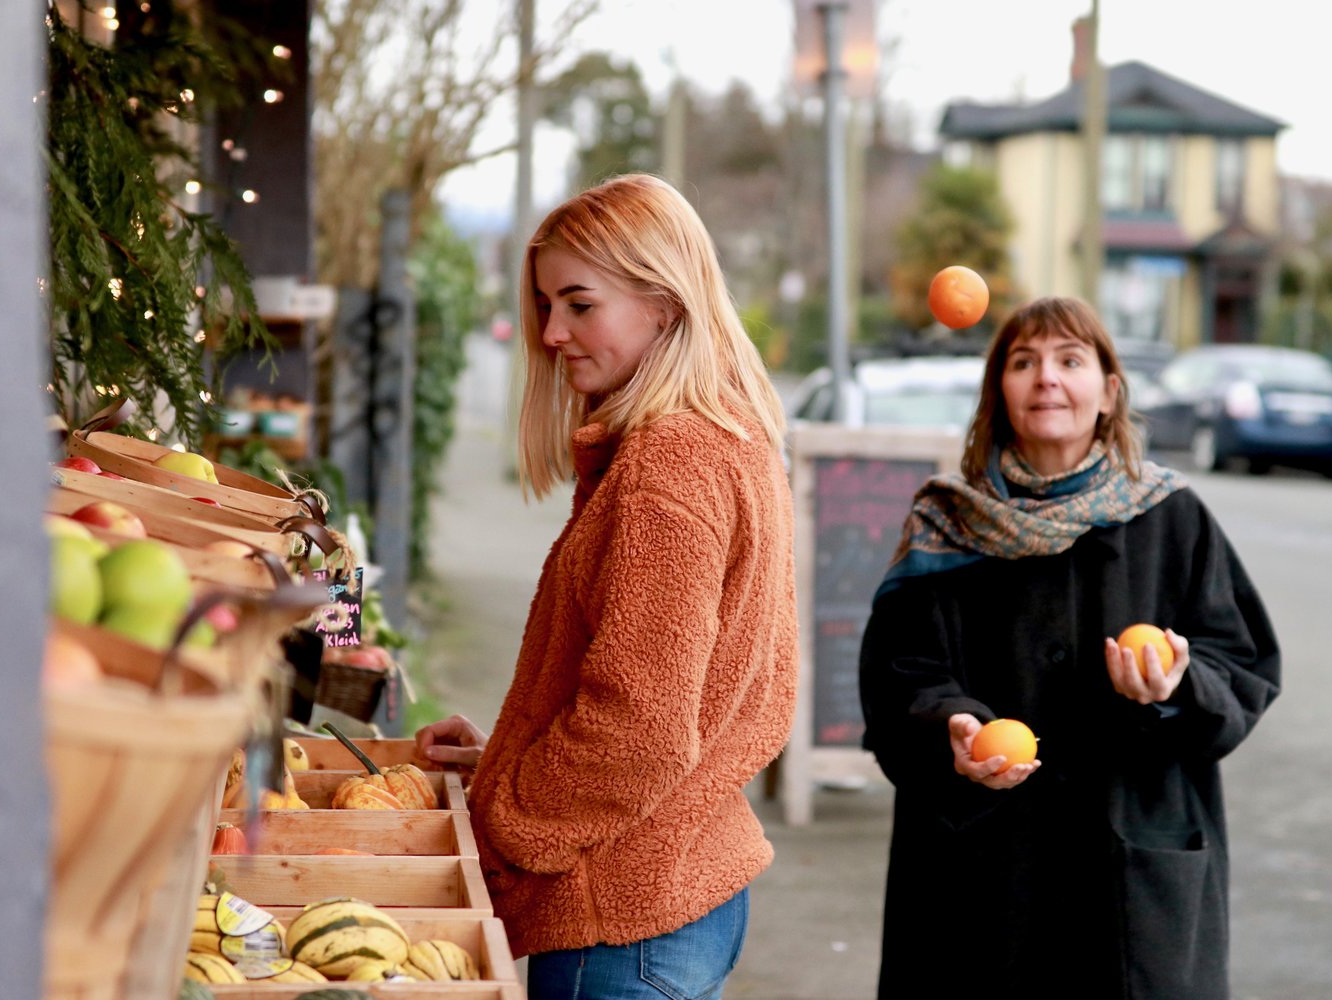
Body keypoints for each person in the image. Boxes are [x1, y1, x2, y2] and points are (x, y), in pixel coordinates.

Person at [414, 173, 799, 1000]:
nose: (552, 332)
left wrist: (509, 816)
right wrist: (506, 757)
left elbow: (641, 734)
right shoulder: (734, 441)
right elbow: (714, 694)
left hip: (621, 923)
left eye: (579, 304)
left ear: (663, 303)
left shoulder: (669, 465)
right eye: (547, 305)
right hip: (682, 887)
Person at [858, 296, 1280, 999]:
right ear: (999, 392)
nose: (1046, 378)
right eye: (1023, 362)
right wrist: (950, 726)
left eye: (1070, 360)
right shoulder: (947, 520)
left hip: (1129, 868)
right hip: (978, 871)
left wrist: (1177, 687)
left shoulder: (1171, 517)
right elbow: (898, 675)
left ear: (1110, 392)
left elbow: (1242, 665)